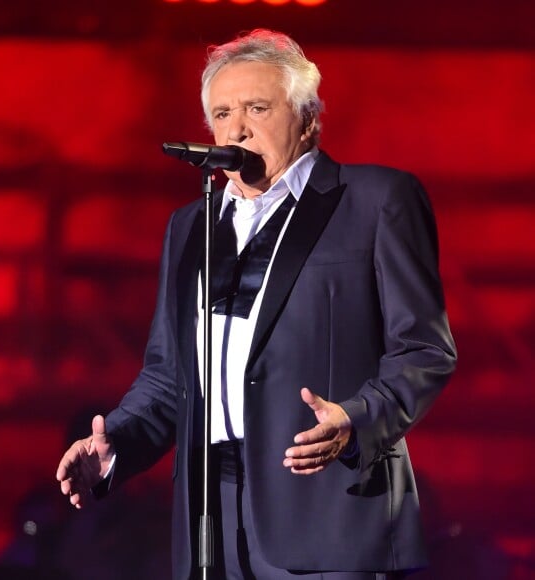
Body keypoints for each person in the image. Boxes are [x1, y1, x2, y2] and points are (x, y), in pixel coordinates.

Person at [56, 29, 457, 579]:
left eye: (257, 108)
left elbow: (424, 350)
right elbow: (168, 376)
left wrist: (355, 419)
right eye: (222, 113)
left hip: (328, 508)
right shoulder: (191, 224)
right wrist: (116, 446)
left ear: (309, 118)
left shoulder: (375, 202)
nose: (237, 128)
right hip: (210, 515)